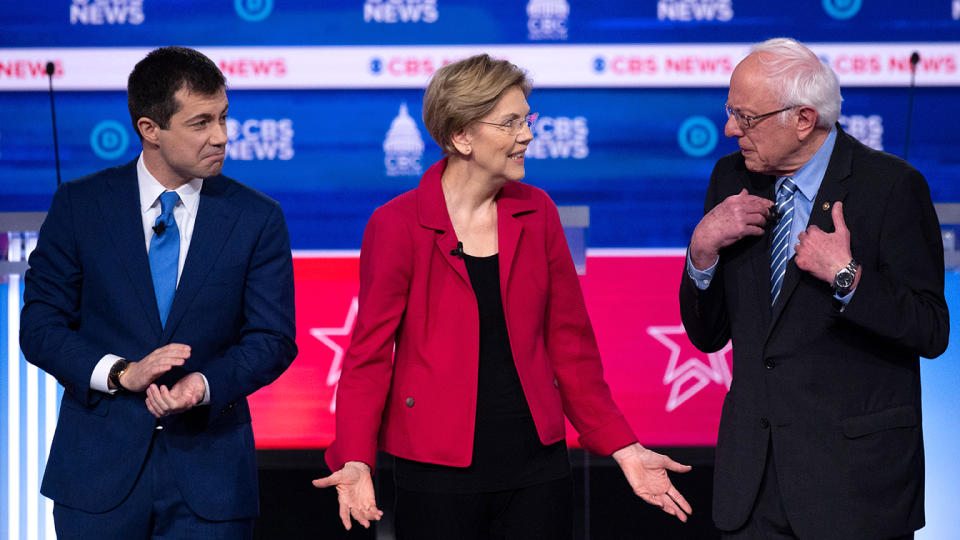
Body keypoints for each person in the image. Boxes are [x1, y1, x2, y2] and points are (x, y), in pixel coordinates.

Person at [312, 53, 692, 539]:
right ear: (461, 137)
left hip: (537, 467)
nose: (527, 134)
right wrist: (356, 459)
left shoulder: (538, 213)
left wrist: (623, 446)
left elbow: (571, 348)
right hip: (436, 471)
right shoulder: (396, 224)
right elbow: (368, 357)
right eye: (510, 122)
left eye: (527, 119)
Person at [20, 46, 297, 539]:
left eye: (224, 117)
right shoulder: (80, 206)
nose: (222, 137)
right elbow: (40, 327)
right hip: (96, 477)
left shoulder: (257, 218)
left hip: (212, 480)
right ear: (150, 129)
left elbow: (272, 339)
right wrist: (122, 373)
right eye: (201, 122)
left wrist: (202, 385)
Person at [680, 37, 948, 540]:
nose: (730, 129)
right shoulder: (730, 178)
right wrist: (702, 249)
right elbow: (707, 334)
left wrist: (847, 276)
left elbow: (931, 330)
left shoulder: (890, 187)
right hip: (753, 486)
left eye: (746, 117)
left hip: (854, 490)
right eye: (729, 111)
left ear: (803, 119)